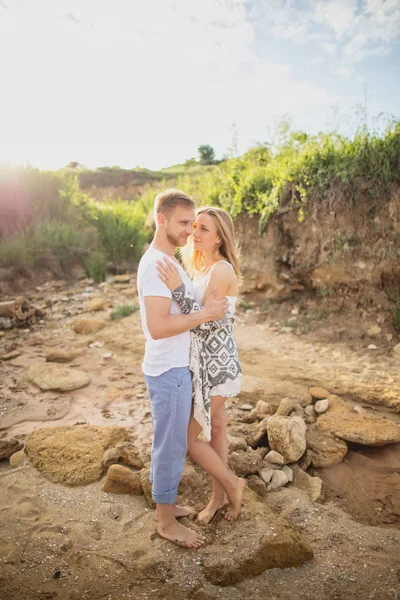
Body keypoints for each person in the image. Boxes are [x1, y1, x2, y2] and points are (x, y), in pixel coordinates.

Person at [137, 189, 228, 549]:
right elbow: (159, 327)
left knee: (173, 441)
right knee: (171, 445)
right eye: (184, 223)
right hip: (168, 369)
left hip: (176, 368)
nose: (190, 231)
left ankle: (168, 505)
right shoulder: (157, 265)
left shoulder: (169, 260)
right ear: (161, 220)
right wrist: (205, 314)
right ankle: (164, 521)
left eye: (193, 223)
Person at [157, 206, 245, 524]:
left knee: (190, 438)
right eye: (194, 226)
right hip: (206, 365)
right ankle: (218, 498)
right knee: (218, 427)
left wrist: (176, 289)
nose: (195, 233)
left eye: (204, 228)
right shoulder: (203, 270)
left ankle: (233, 484)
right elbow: (198, 313)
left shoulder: (221, 271)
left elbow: (205, 323)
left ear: (220, 237)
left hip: (218, 367)